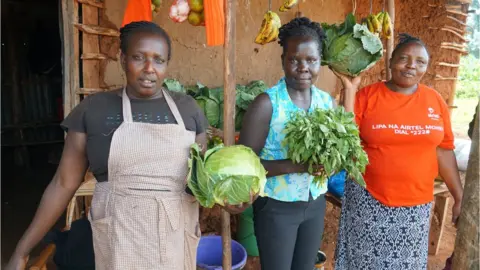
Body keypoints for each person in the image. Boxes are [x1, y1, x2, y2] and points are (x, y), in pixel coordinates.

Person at [6, 21, 212, 270]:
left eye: (159, 60)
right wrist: (22, 250)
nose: (149, 69)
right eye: (138, 57)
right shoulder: (94, 110)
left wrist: (230, 198)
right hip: (118, 241)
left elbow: (201, 184)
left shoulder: (187, 109)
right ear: (122, 58)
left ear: (167, 64)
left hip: (174, 242)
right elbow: (63, 183)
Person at [333, 33, 464, 270]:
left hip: (416, 208)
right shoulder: (367, 96)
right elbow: (346, 139)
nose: (411, 66)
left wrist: (459, 196)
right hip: (369, 201)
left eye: (420, 61)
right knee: (364, 262)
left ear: (427, 66)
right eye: (404, 58)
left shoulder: (434, 101)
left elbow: (444, 152)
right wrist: (349, 91)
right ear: (391, 61)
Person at [239, 17, 352, 270]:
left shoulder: (326, 103)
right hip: (276, 207)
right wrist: (298, 165)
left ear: (320, 62)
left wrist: (329, 166)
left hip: (315, 204)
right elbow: (245, 166)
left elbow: (335, 153)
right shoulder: (267, 104)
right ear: (283, 61)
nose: (303, 67)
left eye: (311, 60)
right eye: (294, 60)